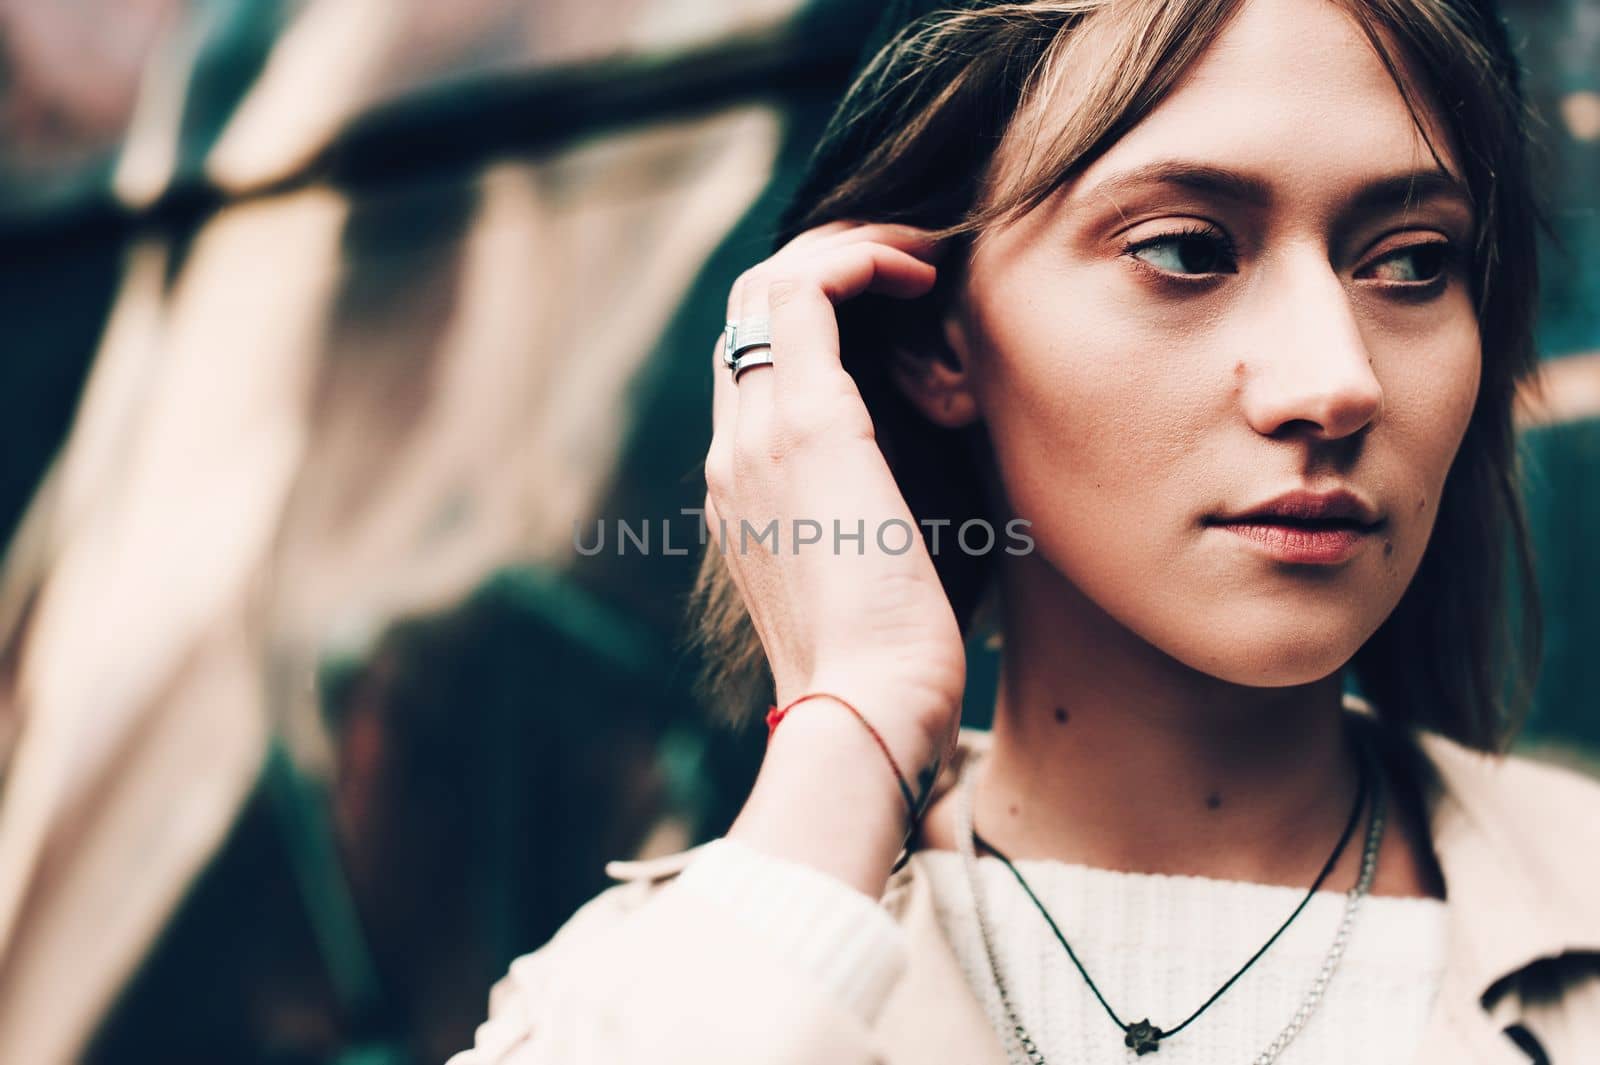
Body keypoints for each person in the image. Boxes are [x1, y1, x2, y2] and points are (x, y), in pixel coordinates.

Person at [449, 0, 1600, 1061]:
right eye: (1187, 249)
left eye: (1410, 263)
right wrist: (853, 720)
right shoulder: (713, 959)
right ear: (936, 341)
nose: (1336, 381)